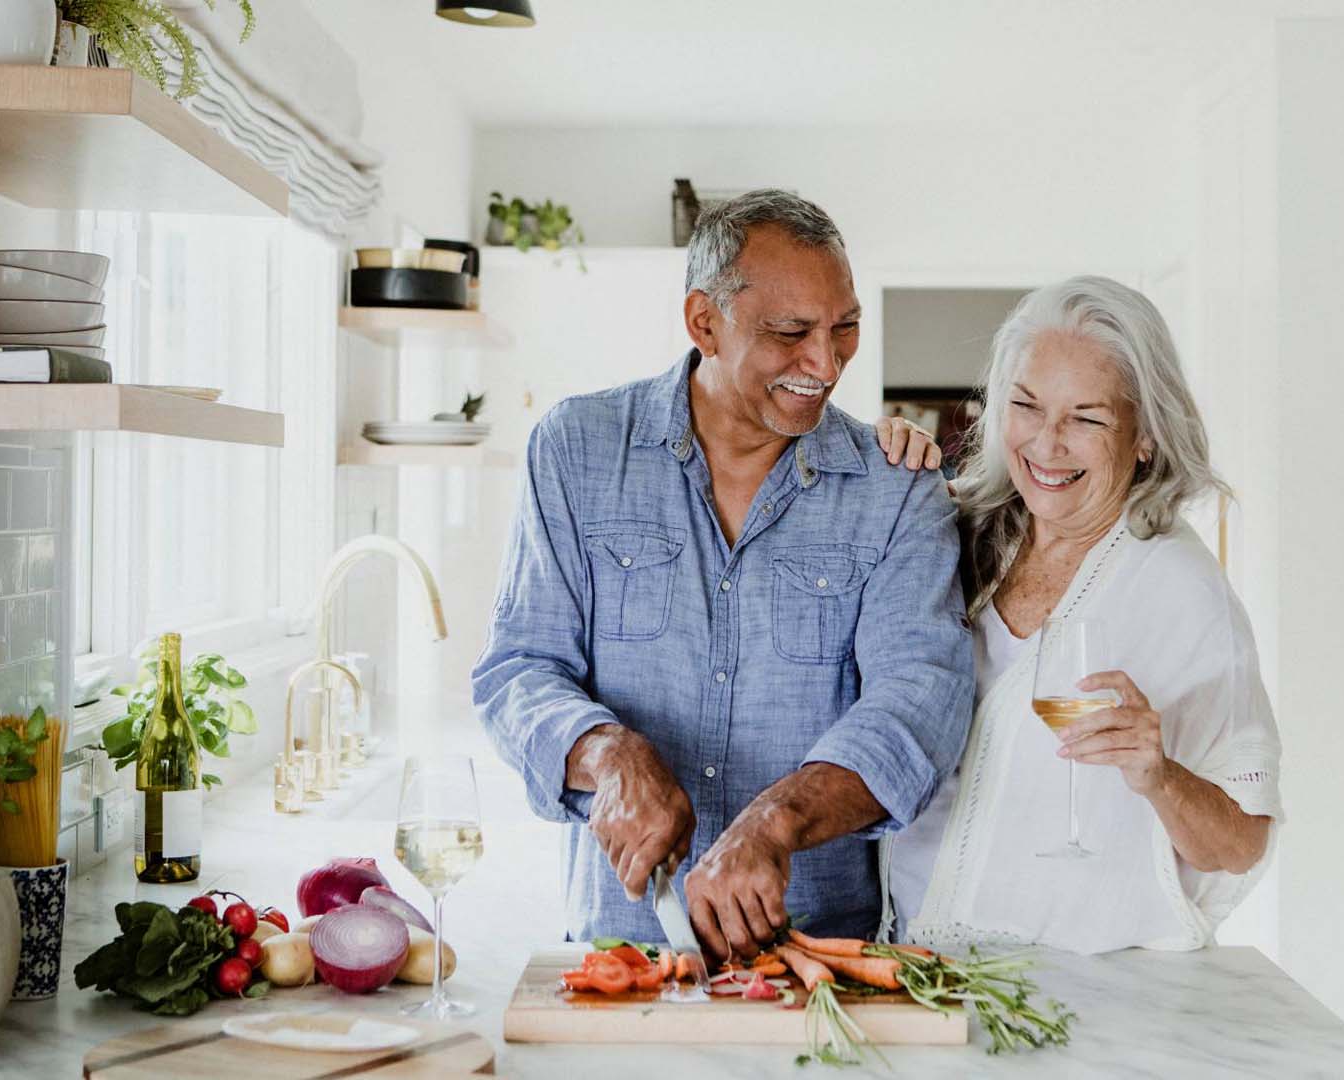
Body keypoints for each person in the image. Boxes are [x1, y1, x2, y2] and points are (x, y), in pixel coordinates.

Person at [472, 190, 974, 958]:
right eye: (790, 333)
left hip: (819, 956)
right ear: (704, 322)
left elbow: (919, 704)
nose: (826, 363)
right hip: (619, 948)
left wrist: (776, 821)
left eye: (845, 329)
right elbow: (518, 669)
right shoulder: (576, 450)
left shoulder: (897, 486)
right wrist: (607, 754)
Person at [877, 276, 1281, 953]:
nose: (1047, 443)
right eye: (1027, 406)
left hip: (1074, 992)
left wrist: (1159, 774)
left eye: (1087, 419)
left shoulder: (1179, 589)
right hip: (909, 960)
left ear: (1145, 436)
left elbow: (1239, 844)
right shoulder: (956, 532)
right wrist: (880, 464)